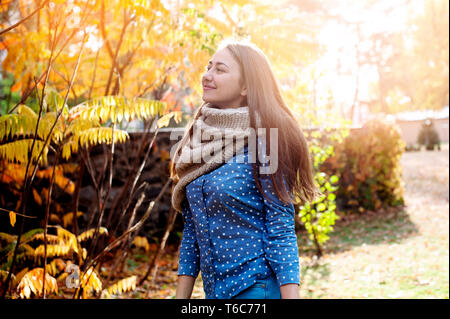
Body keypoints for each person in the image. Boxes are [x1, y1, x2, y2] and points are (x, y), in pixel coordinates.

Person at [170, 38, 320, 299]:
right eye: (209, 67)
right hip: (214, 293)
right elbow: (192, 231)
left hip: (255, 288)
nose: (207, 76)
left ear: (246, 87)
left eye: (220, 69)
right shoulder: (199, 138)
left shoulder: (265, 139)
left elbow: (280, 226)